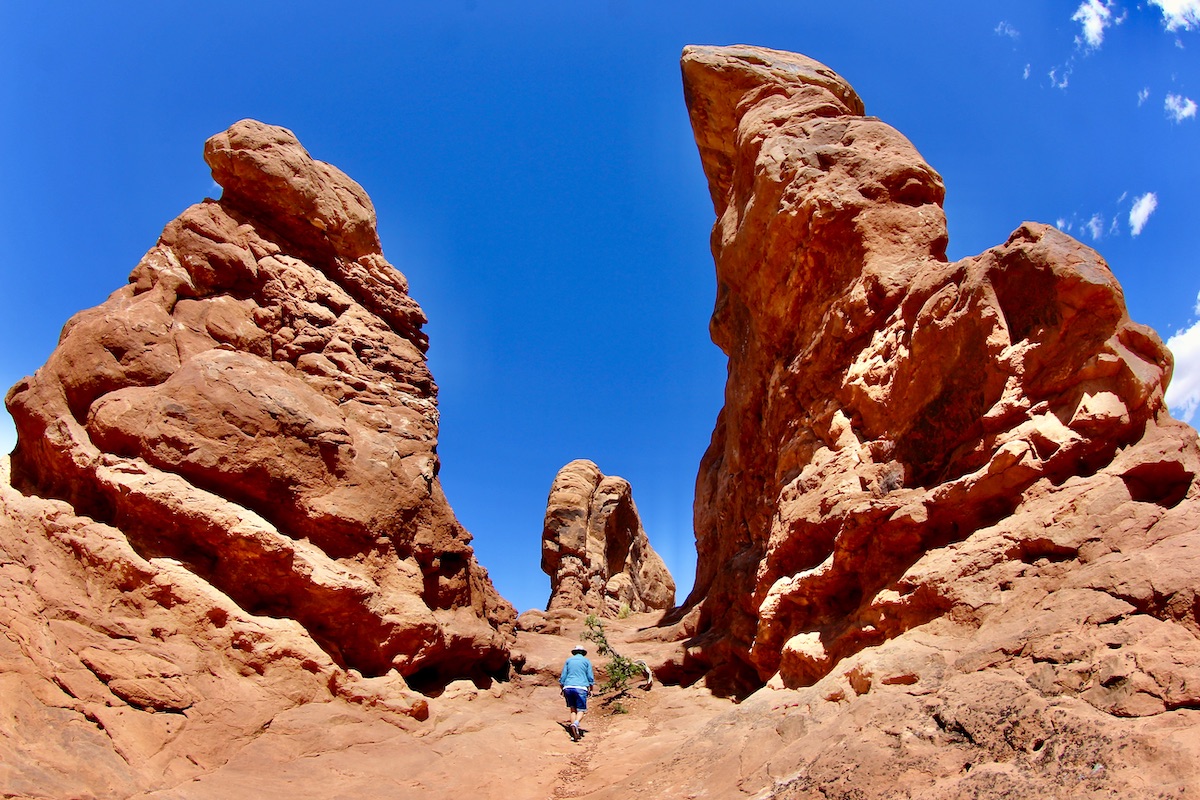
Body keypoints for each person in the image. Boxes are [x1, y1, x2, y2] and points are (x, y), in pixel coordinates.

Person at [559, 644, 595, 741]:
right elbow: (590, 676)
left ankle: (573, 732)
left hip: (568, 686)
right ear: (583, 653)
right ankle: (575, 724)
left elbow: (563, 676)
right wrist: (591, 688)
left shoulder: (569, 661)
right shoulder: (586, 661)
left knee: (572, 709)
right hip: (581, 687)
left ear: (574, 653)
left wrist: (562, 687)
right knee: (581, 709)